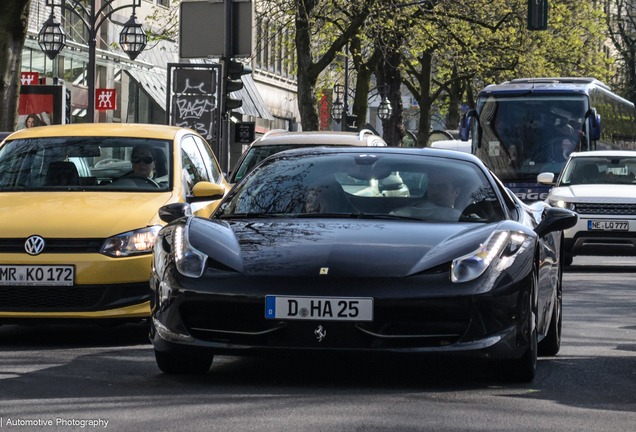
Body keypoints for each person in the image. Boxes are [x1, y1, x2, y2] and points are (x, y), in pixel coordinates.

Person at [390, 170, 462, 221]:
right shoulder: (462, 219)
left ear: (456, 192)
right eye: (432, 186)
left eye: (442, 187)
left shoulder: (400, 214)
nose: (436, 191)